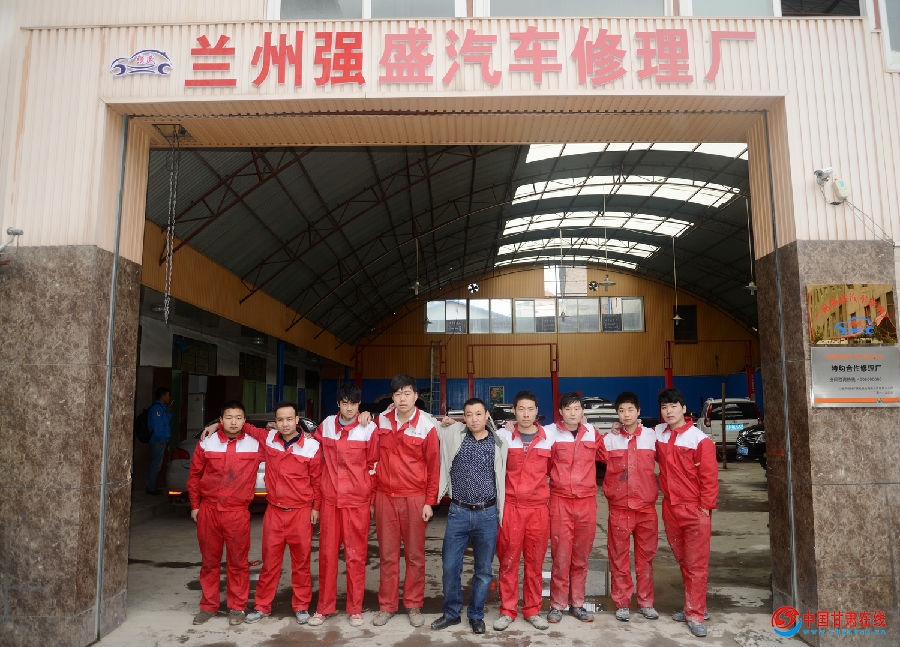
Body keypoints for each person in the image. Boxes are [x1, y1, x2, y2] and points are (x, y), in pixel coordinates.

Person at [227, 401, 324, 626]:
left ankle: (301, 606)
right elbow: (245, 426)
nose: (285, 424)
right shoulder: (269, 438)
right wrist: (215, 425)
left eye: (289, 419)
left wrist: (316, 508)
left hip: (301, 512)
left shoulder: (311, 446)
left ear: (297, 420)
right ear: (275, 422)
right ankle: (262, 606)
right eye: (280, 420)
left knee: (301, 563)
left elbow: (317, 481)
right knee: (270, 563)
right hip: (275, 512)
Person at [432, 397, 508, 634]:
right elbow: (426, 422)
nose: (474, 419)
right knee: (449, 566)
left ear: (487, 416)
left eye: (478, 414)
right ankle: (451, 614)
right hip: (459, 512)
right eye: (468, 414)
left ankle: (476, 615)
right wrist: (392, 409)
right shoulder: (453, 434)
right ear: (463, 418)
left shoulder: (499, 441)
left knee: (483, 570)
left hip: (487, 514)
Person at [372, 374, 440, 628]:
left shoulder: (426, 426)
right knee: (388, 555)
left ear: (416, 396)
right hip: (385, 497)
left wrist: (429, 502)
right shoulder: (381, 421)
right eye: (398, 393)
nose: (402, 398)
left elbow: (434, 467)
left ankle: (413, 604)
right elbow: (371, 458)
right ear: (392, 397)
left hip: (414, 497)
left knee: (415, 555)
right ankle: (387, 606)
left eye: (407, 393)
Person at [187, 400, 263, 626]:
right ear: (221, 420)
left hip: (237, 512)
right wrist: (195, 505)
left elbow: (282, 438)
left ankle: (237, 607)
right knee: (209, 562)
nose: (233, 422)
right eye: (228, 418)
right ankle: (208, 606)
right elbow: (194, 475)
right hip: (209, 510)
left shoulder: (255, 444)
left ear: (245, 421)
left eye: (238, 418)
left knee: (238, 562)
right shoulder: (207, 443)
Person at [308, 383, 378, 628]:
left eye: (354, 403)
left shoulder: (369, 428)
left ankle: (355, 609)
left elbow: (374, 466)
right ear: (338, 404)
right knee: (327, 556)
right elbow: (308, 446)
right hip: (330, 502)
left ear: (360, 405)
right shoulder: (326, 425)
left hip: (357, 502)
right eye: (345, 403)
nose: (349, 408)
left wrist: (370, 501)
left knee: (355, 557)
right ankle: (323, 608)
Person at [655, 387, 719, 638]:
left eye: (673, 406)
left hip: (694, 509)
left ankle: (695, 613)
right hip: (671, 508)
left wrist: (705, 507)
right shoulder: (659, 433)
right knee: (683, 560)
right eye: (664, 407)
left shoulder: (699, 440)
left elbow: (709, 477)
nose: (668, 411)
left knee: (696, 564)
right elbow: (636, 433)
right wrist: (619, 427)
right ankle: (694, 604)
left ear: (683, 408)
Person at [493, 390, 553, 631]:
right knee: (508, 561)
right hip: (511, 508)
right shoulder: (503, 436)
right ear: (514, 411)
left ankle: (532, 610)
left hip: (538, 510)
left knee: (535, 563)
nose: (526, 414)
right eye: (521, 409)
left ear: (537, 411)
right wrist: (448, 422)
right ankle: (507, 610)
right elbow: (474, 431)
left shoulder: (550, 437)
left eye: (530, 409)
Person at [600, 391, 660, 623]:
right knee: (619, 557)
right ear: (617, 413)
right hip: (619, 509)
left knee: (646, 558)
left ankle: (646, 602)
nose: (626, 415)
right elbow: (585, 443)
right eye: (621, 411)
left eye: (630, 410)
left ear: (639, 411)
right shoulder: (609, 440)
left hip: (646, 510)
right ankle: (622, 602)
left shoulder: (652, 437)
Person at [545, 392, 602, 624]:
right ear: (560, 412)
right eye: (567, 409)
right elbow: (543, 462)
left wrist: (619, 428)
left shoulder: (592, 433)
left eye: (576, 408)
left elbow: (607, 454)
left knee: (581, 556)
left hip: (586, 502)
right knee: (561, 556)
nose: (572, 413)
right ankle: (557, 605)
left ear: (582, 412)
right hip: (560, 501)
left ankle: (577, 604)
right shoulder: (549, 433)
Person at [145, 386, 172, 495]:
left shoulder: (162, 408)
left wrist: (168, 411)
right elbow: (158, 426)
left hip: (160, 440)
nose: (169, 397)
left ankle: (152, 486)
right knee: (155, 465)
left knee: (156, 464)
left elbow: (166, 421)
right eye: (168, 395)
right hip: (158, 440)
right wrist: (161, 438)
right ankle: (151, 488)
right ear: (163, 396)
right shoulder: (157, 409)